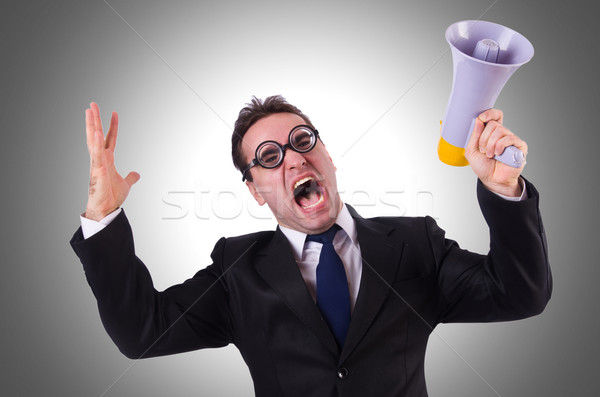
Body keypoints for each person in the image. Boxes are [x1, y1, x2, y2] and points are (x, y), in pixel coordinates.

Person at [70, 96, 551, 396]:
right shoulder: (238, 271)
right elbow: (142, 332)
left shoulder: (413, 243)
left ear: (328, 157)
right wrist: (103, 217)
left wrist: (503, 189)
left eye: (302, 140)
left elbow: (520, 293)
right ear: (256, 191)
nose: (294, 158)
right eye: (269, 157)